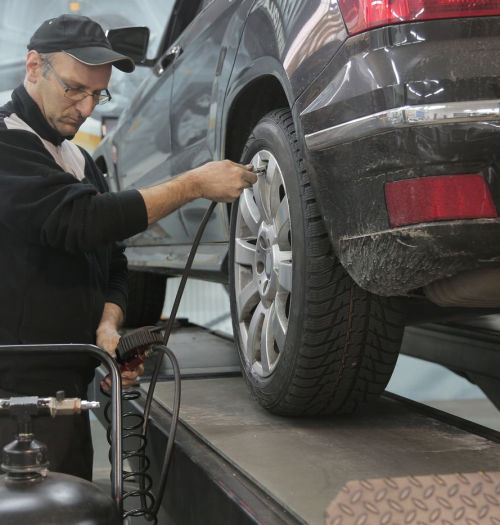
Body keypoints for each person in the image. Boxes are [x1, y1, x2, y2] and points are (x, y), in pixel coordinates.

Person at [0, 14, 257, 480]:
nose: (84, 108)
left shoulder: (78, 159)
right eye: (75, 89)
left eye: (97, 95)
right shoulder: (6, 140)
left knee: (72, 497)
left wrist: (108, 322)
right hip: (15, 389)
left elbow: (114, 259)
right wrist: (193, 183)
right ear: (34, 67)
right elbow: (79, 221)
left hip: (67, 380)